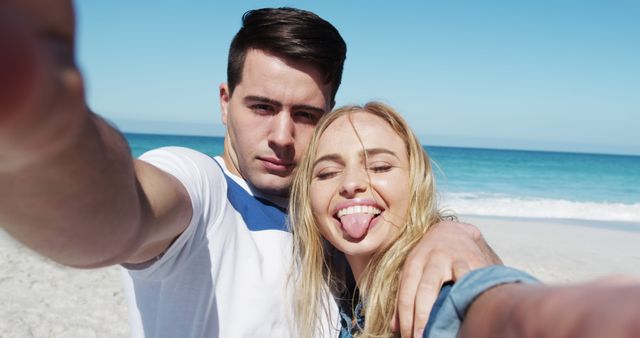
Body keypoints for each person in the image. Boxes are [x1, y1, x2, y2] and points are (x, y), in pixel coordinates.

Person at [0, 2, 500, 337]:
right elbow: (115, 215)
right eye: (261, 107)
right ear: (225, 102)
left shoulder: (336, 219)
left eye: (305, 115)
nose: (282, 136)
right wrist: (46, 135)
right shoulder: (202, 187)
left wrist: (450, 233)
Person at [288, 102, 640, 338]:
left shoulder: (432, 287)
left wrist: (585, 314)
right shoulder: (337, 289)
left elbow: (501, 313)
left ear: (416, 182)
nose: (351, 183)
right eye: (327, 172)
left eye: (380, 166)